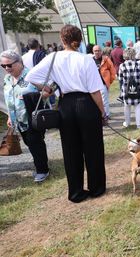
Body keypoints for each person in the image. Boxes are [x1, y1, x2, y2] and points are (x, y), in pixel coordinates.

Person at [25, 25, 107, 203]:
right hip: (86, 103)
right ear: (79, 40)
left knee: (70, 150)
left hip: (66, 104)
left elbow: (30, 76)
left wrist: (47, 87)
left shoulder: (52, 57)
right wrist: (102, 112)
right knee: (93, 148)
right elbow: (95, 91)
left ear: (62, 40)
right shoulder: (86, 59)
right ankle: (96, 188)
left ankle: (76, 192)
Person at [1, 50, 50, 182]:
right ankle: (41, 165)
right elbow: (8, 99)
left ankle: (42, 170)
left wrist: (35, 96)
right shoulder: (7, 79)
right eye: (3, 66)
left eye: (9, 65)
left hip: (32, 117)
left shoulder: (31, 75)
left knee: (36, 143)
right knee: (29, 143)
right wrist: (10, 117)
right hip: (18, 119)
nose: (6, 68)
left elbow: (49, 90)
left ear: (19, 62)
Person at [119, 47, 140, 129]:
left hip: (126, 89)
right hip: (137, 88)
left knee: (127, 106)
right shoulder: (138, 64)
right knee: (137, 106)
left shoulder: (122, 65)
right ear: (133, 54)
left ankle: (127, 123)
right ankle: (139, 124)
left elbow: (120, 79)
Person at [93, 45, 116, 119]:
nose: (97, 52)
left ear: (101, 51)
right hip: (93, 85)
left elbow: (112, 71)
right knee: (95, 101)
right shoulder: (90, 60)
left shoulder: (106, 59)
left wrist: (108, 82)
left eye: (98, 50)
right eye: (95, 51)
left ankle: (107, 115)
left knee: (104, 101)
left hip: (103, 84)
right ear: (93, 52)